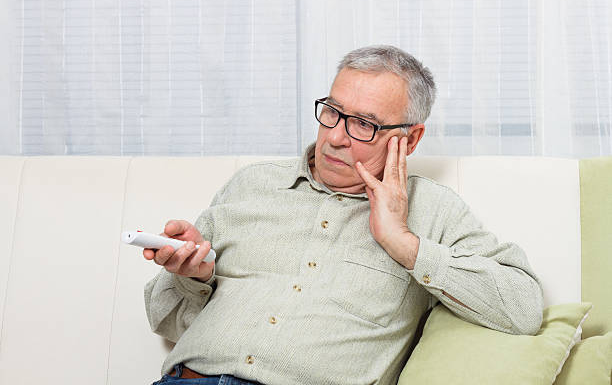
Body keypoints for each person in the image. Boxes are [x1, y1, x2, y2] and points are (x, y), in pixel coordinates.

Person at [144, 45, 543, 385]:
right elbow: (166, 318)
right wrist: (192, 278)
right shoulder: (251, 185)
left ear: (411, 138)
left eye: (363, 125)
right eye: (332, 112)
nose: (335, 137)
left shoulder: (436, 211)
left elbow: (522, 309)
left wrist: (403, 243)